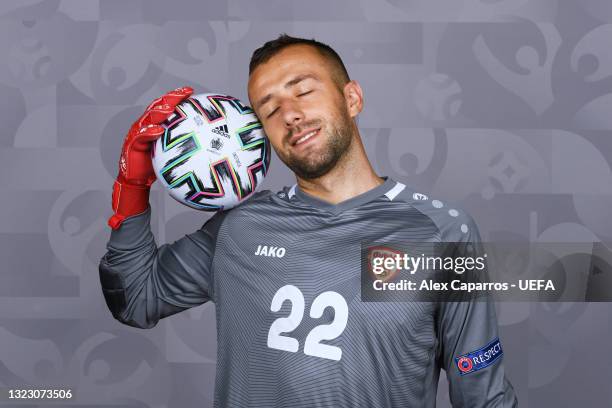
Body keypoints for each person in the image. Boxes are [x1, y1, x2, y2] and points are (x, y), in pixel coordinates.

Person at [99, 34, 518, 407]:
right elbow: (136, 299)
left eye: (303, 92)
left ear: (351, 99)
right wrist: (133, 186)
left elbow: (482, 395)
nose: (290, 114)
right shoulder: (240, 228)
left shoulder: (440, 232)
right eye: (269, 109)